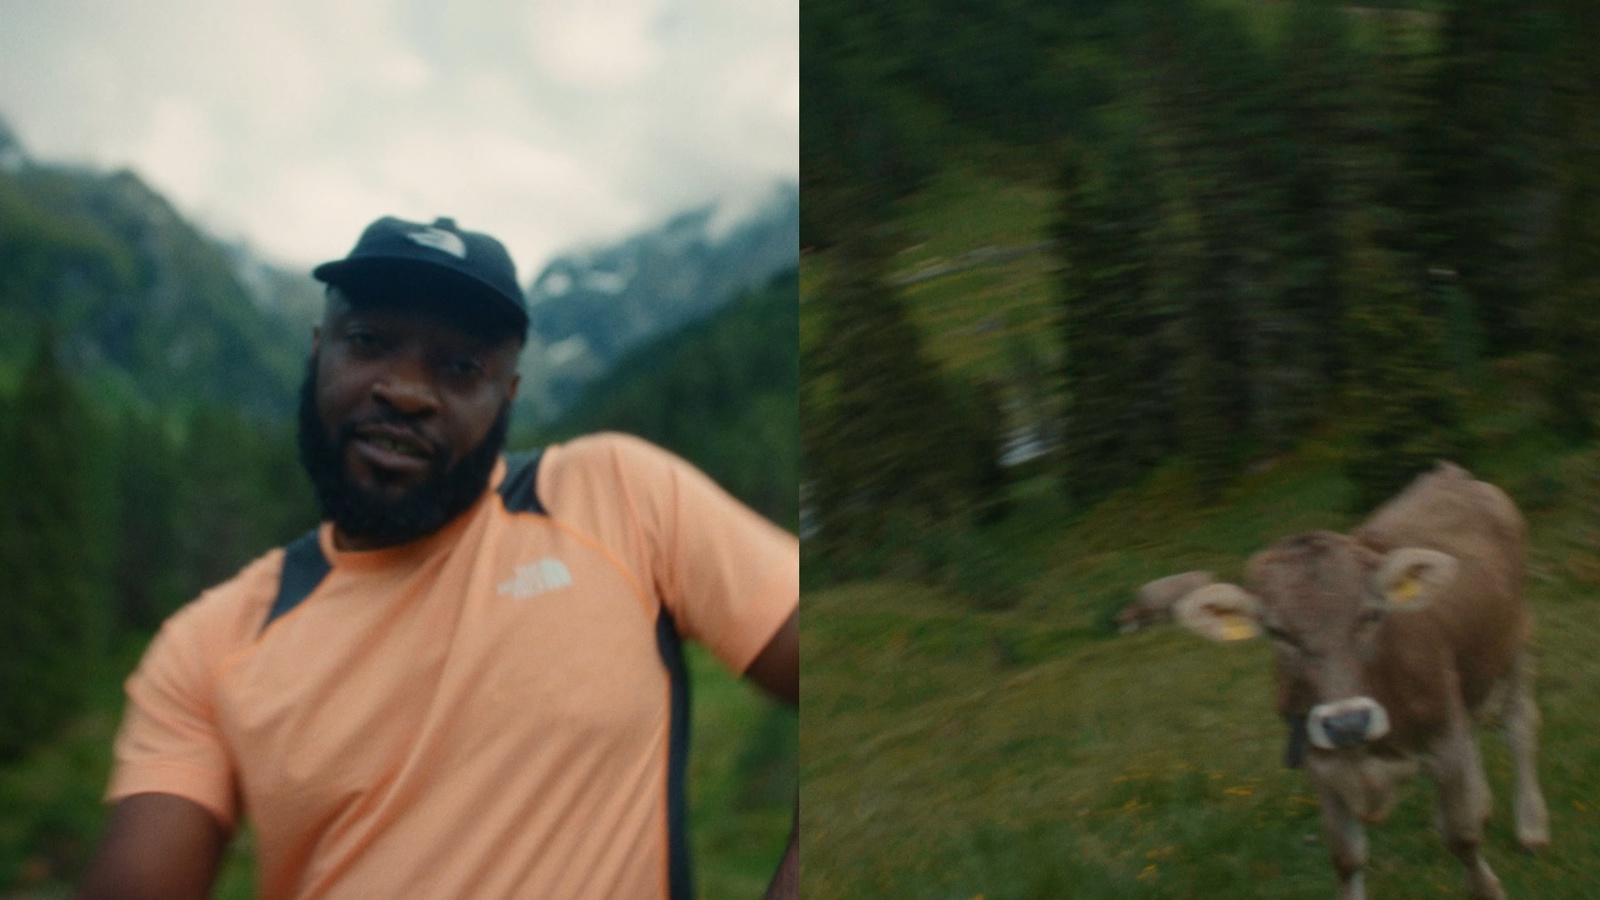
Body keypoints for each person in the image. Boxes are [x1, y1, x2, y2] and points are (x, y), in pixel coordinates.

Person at [77, 215, 800, 900]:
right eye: (368, 342)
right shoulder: (210, 644)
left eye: (457, 366)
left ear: (506, 396)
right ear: (317, 348)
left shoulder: (620, 500)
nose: (405, 390)